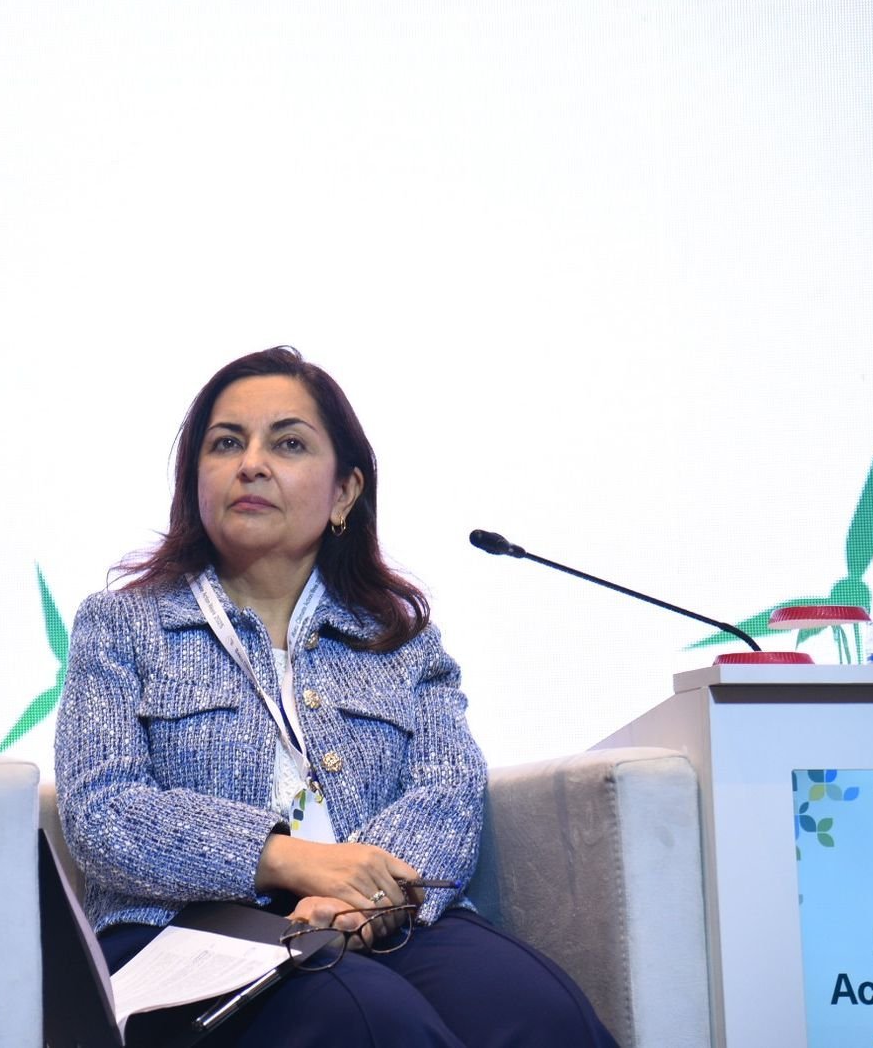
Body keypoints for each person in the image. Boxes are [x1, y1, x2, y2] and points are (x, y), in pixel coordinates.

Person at [54, 347, 618, 1047]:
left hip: (386, 919)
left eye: (288, 443)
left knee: (539, 1014)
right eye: (226, 443)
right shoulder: (121, 624)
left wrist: (367, 898)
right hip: (185, 931)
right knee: (368, 1018)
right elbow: (102, 809)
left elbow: (448, 788)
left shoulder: (400, 637)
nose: (251, 464)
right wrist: (289, 859)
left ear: (345, 492)